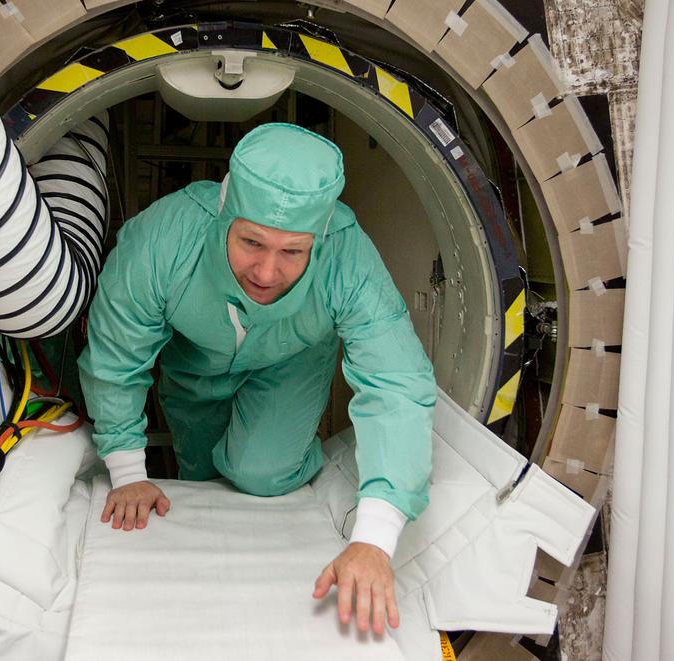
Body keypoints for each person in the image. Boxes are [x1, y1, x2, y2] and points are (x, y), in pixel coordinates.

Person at [77, 122, 436, 635]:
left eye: (293, 252)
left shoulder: (347, 255)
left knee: (259, 473)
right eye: (251, 242)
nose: (267, 273)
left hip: (292, 361)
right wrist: (129, 472)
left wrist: (374, 538)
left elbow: (397, 381)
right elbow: (116, 354)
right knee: (198, 475)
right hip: (194, 366)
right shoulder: (166, 236)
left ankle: (298, 455)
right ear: (225, 215)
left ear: (319, 236)